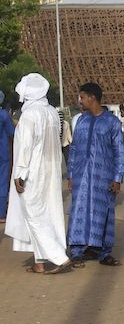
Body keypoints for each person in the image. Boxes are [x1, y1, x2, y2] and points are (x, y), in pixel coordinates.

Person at [4, 73, 73, 274]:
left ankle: (58, 257)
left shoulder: (30, 115)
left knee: (33, 214)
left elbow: (25, 147)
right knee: (48, 213)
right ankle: (40, 262)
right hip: (51, 170)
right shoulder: (52, 112)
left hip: (32, 171)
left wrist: (20, 174)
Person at [67, 82, 124, 267]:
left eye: (82, 97)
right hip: (80, 177)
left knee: (104, 213)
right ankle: (76, 251)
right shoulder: (81, 121)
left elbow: (119, 152)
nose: (80, 101)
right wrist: (70, 174)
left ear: (92, 98)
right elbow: (74, 148)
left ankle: (103, 252)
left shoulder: (112, 122)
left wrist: (117, 178)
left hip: (104, 177)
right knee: (79, 212)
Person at [0, 92, 13, 221]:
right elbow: (11, 133)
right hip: (3, 152)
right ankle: (1, 213)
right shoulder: (4, 115)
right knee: (3, 182)